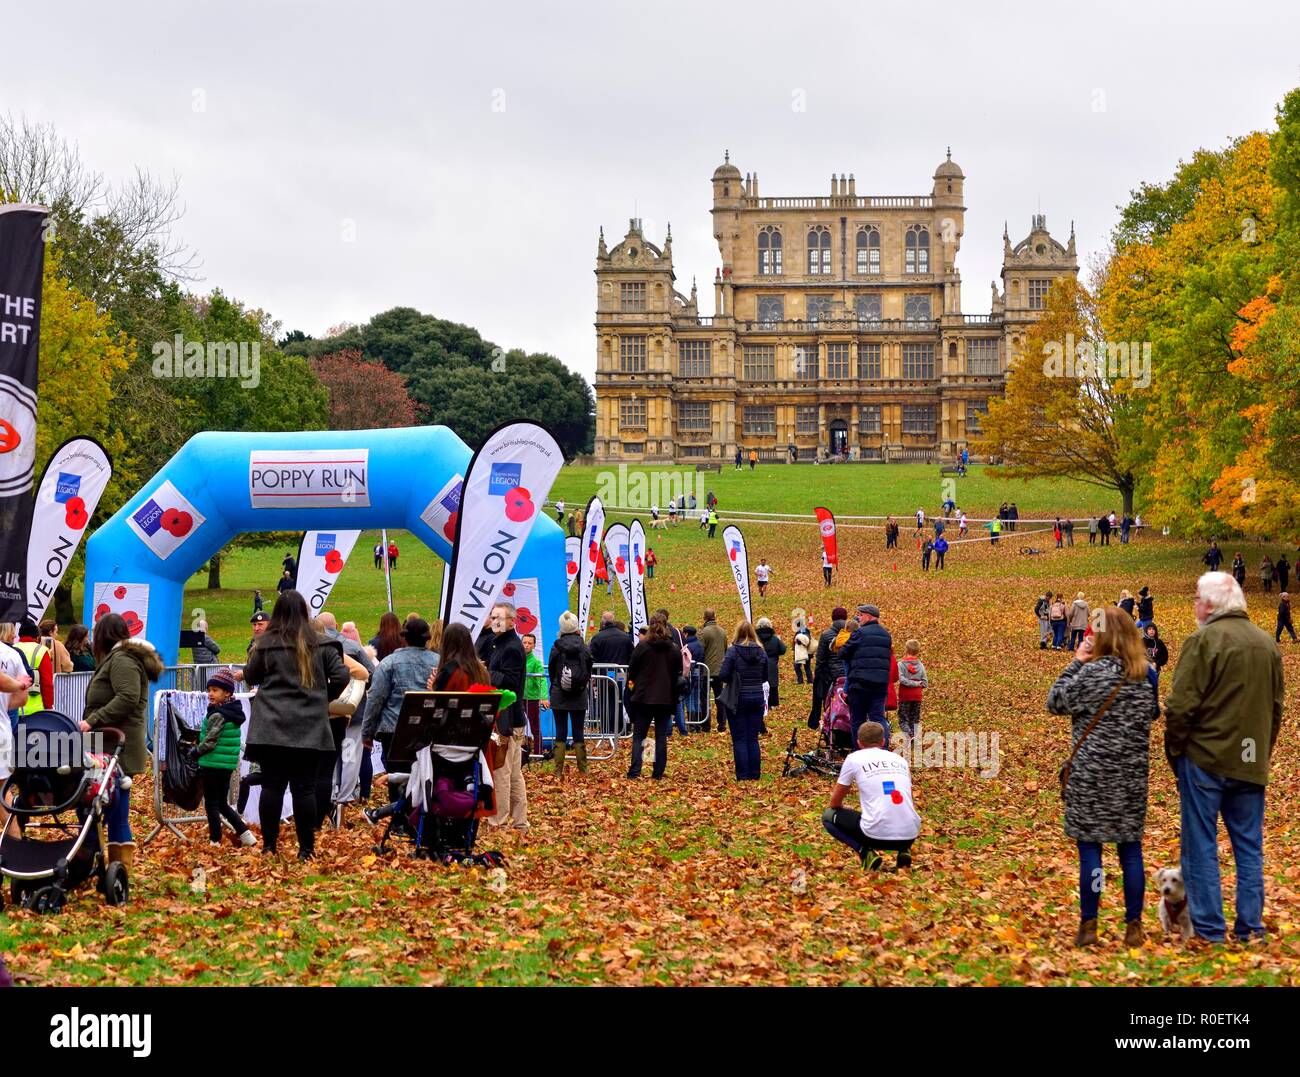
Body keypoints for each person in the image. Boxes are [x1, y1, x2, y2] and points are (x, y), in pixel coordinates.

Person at [1164, 572, 1285, 943]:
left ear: (1211, 604)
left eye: (1197, 598)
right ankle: (1250, 927)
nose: (1195, 606)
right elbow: (1276, 708)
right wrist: (1260, 752)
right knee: (1249, 846)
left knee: (1200, 844)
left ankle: (1210, 929)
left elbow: (1179, 706)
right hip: (1249, 760)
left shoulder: (1203, 641)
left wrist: (1176, 749)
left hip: (1206, 757)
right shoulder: (1267, 644)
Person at [1047, 607, 1158, 947]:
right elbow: (1153, 713)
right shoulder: (1144, 676)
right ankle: (1134, 924)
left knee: (1091, 851)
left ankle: (1089, 923)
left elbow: (1055, 702)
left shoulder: (1090, 675)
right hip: (1130, 775)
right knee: (1131, 850)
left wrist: (1077, 661)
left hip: (1090, 775)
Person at [243, 591, 348, 859]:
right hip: (309, 726)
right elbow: (341, 676)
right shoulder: (322, 644)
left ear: (276, 614)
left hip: (271, 725)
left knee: (272, 786)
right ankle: (306, 849)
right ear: (304, 612)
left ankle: (269, 847)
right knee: (305, 788)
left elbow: (251, 675)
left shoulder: (265, 645)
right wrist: (323, 698)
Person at [79, 612, 163, 872]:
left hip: (117, 746)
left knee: (115, 808)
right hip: (106, 745)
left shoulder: (122, 660)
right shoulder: (117, 659)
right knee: (96, 804)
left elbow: (127, 697)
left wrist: (93, 721)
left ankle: (117, 869)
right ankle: (93, 856)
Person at [821, 721, 920, 871]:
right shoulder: (900, 760)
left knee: (828, 816)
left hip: (874, 834)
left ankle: (865, 853)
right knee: (901, 811)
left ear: (859, 742)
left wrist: (846, 810)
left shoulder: (854, 758)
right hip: (910, 832)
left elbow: (835, 803)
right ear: (883, 741)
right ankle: (903, 850)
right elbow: (908, 797)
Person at [477, 602, 529, 832]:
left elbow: (510, 682)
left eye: (499, 617)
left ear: (511, 622)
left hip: (507, 718)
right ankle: (520, 821)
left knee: (502, 772)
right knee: (514, 773)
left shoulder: (511, 647)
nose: (494, 620)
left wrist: (486, 671)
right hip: (510, 717)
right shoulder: (500, 644)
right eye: (493, 616)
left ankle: (498, 822)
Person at [196, 668, 256, 848]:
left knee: (212, 805)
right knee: (222, 803)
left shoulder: (218, 714)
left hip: (212, 763)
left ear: (227, 692)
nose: (210, 694)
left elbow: (210, 741)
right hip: (226, 765)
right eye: (209, 690)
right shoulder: (233, 711)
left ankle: (215, 840)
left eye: (215, 690)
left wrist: (195, 752)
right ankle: (246, 835)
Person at [626, 616, 679, 779]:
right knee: (660, 735)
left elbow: (632, 671)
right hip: (664, 697)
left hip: (643, 696)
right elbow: (676, 672)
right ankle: (657, 772)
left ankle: (635, 770)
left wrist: (632, 688)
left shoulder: (642, 647)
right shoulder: (673, 648)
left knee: (640, 735)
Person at [718, 620, 768, 780]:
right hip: (757, 697)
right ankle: (755, 774)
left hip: (738, 697)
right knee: (752, 738)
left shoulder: (733, 651)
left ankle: (743, 774)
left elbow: (723, 675)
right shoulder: (761, 651)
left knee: (739, 738)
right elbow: (765, 676)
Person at [838, 604, 893, 750]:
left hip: (860, 684)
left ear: (869, 616)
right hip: (880, 685)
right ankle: (883, 748)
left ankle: (859, 751)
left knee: (857, 720)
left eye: (861, 615)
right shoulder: (886, 635)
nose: (858, 618)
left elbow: (843, 652)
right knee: (879, 718)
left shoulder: (860, 633)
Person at [548, 611, 591, 778]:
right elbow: (588, 670)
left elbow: (552, 672)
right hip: (579, 695)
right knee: (578, 731)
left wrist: (558, 685)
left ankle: (558, 771)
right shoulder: (584, 647)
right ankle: (583, 770)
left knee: (560, 731)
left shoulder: (556, 648)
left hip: (559, 694)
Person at [14, 620, 54, 715]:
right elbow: (47, 683)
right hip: (36, 711)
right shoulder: (42, 651)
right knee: (34, 730)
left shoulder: (11, 649)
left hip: (14, 708)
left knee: (19, 730)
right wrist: (49, 708)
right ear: (37, 636)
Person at [698, 609, 728, 732]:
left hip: (707, 671)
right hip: (720, 671)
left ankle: (706, 725)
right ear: (715, 617)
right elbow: (726, 649)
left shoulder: (703, 632)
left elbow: (700, 651)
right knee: (720, 698)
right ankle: (722, 724)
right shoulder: (723, 632)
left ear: (705, 618)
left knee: (704, 699)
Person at [521, 632, 549, 762]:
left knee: (535, 728)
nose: (526, 645)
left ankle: (538, 754)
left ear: (534, 646)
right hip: (518, 698)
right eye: (524, 642)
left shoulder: (536, 662)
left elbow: (541, 680)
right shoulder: (517, 659)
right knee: (516, 727)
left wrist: (543, 697)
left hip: (531, 699)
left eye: (529, 643)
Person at [896, 639, 928, 741]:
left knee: (903, 719)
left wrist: (911, 683)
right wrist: (917, 684)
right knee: (915, 718)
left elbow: (901, 679)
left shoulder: (901, 665)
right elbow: (925, 683)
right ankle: (914, 736)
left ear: (906, 650)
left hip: (905, 695)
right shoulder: (921, 666)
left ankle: (910, 735)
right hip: (917, 696)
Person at [755, 617, 786, 710]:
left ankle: (761, 702)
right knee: (772, 684)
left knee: (760, 683)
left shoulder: (755, 638)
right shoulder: (775, 639)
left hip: (759, 663)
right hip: (772, 664)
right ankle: (772, 703)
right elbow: (783, 650)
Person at [1143, 623, 1169, 687]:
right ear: (1146, 631)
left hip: (1155, 671)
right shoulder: (1141, 642)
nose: (1152, 631)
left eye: (1153, 629)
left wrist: (1156, 663)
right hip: (1143, 669)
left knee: (1152, 688)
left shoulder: (1159, 642)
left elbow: (1165, 656)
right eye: (1149, 629)